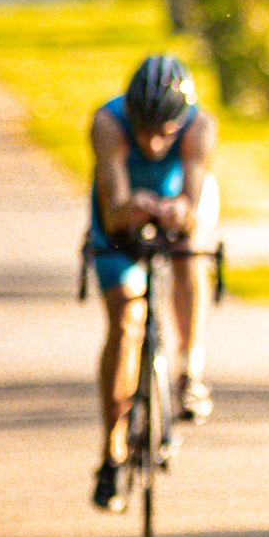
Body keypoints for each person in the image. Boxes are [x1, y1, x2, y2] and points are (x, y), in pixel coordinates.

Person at [86, 51, 220, 511]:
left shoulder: (200, 127)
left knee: (191, 257)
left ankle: (191, 371)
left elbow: (192, 196)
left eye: (164, 132)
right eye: (143, 130)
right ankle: (111, 450)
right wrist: (134, 207)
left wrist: (179, 211)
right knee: (126, 318)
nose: (153, 143)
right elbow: (114, 206)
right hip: (119, 218)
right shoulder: (108, 123)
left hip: (172, 208)